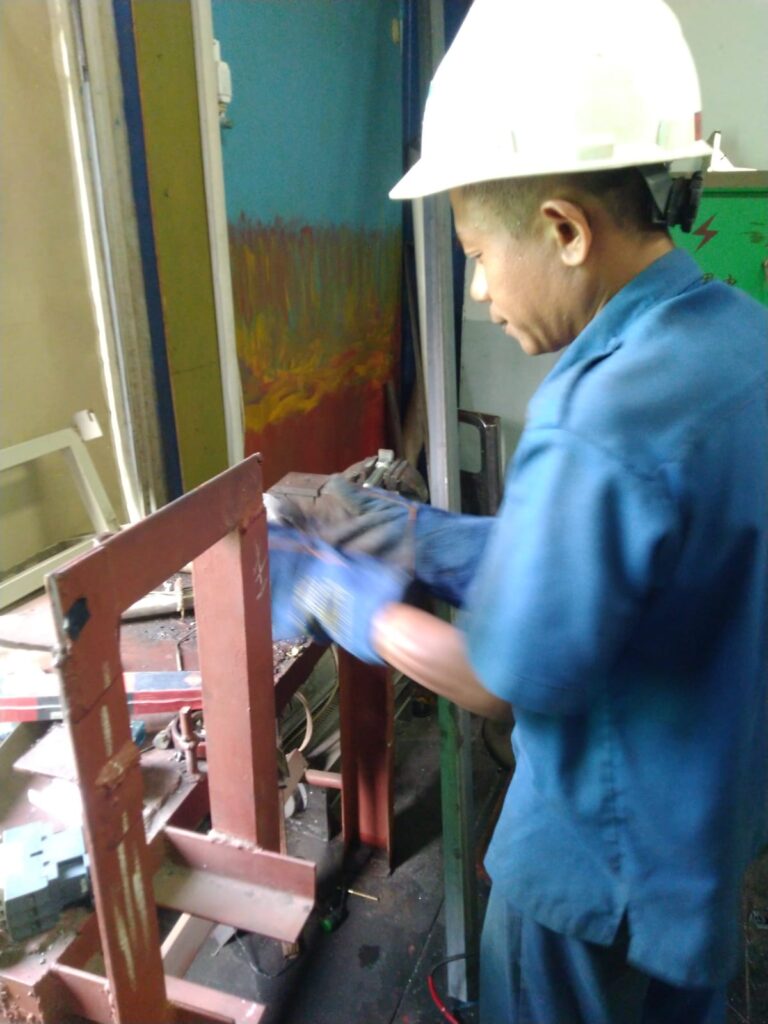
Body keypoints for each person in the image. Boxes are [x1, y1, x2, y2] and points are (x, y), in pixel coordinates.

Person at [268, 0, 768, 1020]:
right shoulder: (739, 340)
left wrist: (341, 597)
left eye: (478, 255)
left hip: (590, 884)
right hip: (702, 849)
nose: (481, 293)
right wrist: (404, 529)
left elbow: (500, 679)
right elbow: (606, 559)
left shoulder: (597, 413)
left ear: (565, 229)